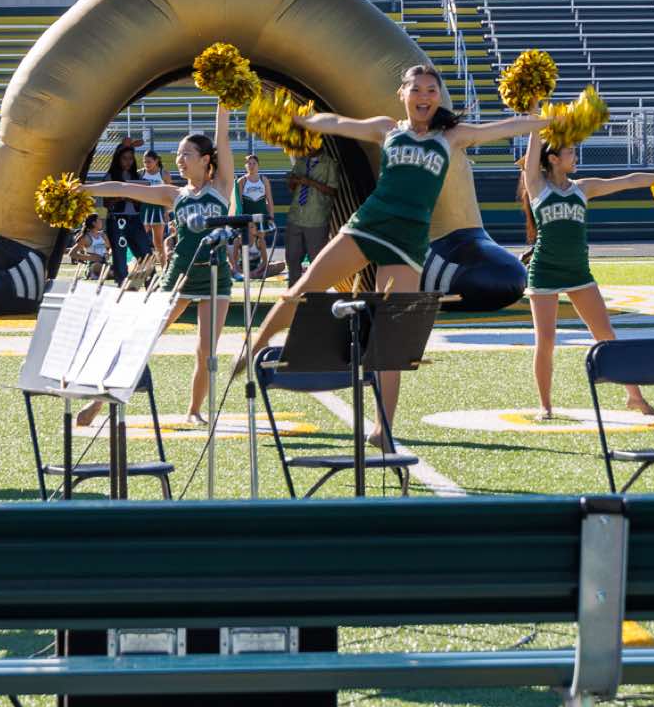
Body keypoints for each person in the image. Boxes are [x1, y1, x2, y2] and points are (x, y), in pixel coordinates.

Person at [242, 65, 543, 440]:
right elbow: (338, 123)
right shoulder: (387, 128)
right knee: (304, 288)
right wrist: (303, 120)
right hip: (369, 224)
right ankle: (254, 347)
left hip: (409, 240)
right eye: (416, 89)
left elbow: (504, 128)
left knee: (392, 337)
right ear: (402, 94)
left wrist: (546, 118)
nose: (424, 96)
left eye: (431, 90)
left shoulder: (451, 136)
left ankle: (382, 428)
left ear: (439, 97)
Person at [80, 102, 236, 423]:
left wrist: (223, 107)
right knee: (142, 339)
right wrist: (84, 188)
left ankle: (194, 411)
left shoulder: (221, 188)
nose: (179, 160)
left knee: (205, 351)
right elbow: (124, 188)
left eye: (186, 154)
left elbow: (222, 138)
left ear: (205, 159)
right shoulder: (174, 195)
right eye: (177, 155)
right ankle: (98, 402)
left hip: (215, 277)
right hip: (179, 275)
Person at [520, 139, 654, 419]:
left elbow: (628, 181)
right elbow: (531, 153)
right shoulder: (537, 186)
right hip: (545, 271)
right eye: (570, 152)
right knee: (546, 341)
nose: (575, 156)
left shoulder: (583, 188)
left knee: (606, 335)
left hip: (577, 271)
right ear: (553, 159)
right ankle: (545, 406)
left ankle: (634, 397)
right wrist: (536, 121)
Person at [282, 148, 340, 280]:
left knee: (317, 262)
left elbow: (333, 191)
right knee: (292, 259)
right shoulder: (301, 161)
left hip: (316, 220)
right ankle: (294, 291)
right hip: (295, 217)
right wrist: (292, 182)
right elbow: (293, 188)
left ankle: (315, 292)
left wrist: (310, 182)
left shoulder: (330, 164)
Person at [101, 140, 150, 283]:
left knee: (145, 253)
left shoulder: (137, 177)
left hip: (135, 219)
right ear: (118, 159)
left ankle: (150, 283)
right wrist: (120, 197)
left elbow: (141, 201)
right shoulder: (110, 177)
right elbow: (105, 203)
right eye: (124, 158)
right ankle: (121, 284)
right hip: (116, 220)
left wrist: (133, 197)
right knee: (119, 256)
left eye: (130, 159)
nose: (128, 162)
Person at [233, 153, 275, 276]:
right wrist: (240, 219)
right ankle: (242, 268)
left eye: (254, 163)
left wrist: (271, 216)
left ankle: (259, 267)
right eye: (249, 163)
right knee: (244, 240)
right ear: (245, 166)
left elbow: (269, 200)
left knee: (260, 239)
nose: (251, 166)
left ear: (258, 165)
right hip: (247, 216)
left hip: (261, 215)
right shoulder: (242, 181)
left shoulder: (264, 180)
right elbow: (238, 203)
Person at [139, 149, 171, 266]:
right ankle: (140, 266)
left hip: (158, 209)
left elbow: (168, 194)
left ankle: (164, 267)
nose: (146, 164)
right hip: (143, 209)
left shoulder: (164, 174)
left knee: (158, 242)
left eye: (149, 162)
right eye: (144, 162)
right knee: (139, 240)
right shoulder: (140, 173)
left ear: (156, 161)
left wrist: (166, 211)